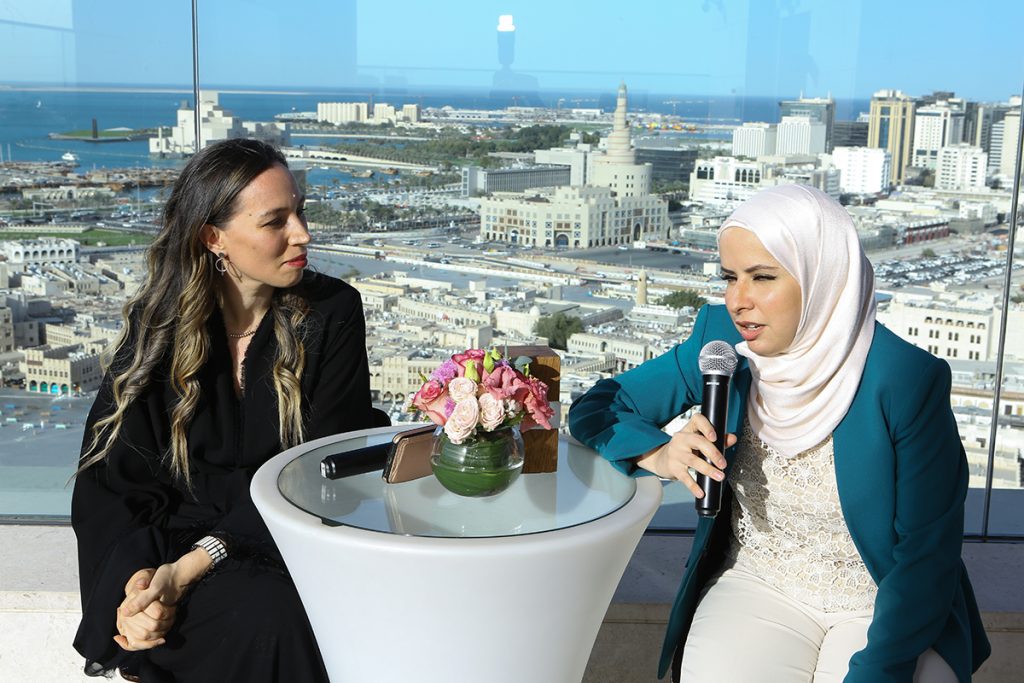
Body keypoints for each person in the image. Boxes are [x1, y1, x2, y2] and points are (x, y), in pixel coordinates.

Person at [568, 184, 990, 682]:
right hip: (760, 582)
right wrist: (659, 453)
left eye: (762, 277)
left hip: (881, 598)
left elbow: (925, 558)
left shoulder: (904, 380)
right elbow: (598, 407)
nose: (738, 301)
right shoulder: (721, 342)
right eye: (730, 277)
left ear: (822, 276)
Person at [72, 138, 375, 681]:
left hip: (283, 541)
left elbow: (319, 471)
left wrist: (191, 566)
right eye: (275, 221)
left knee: (273, 615)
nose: (302, 234)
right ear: (214, 238)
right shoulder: (160, 325)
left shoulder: (332, 313)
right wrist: (138, 585)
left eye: (300, 212)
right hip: (171, 550)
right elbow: (114, 478)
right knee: (220, 619)